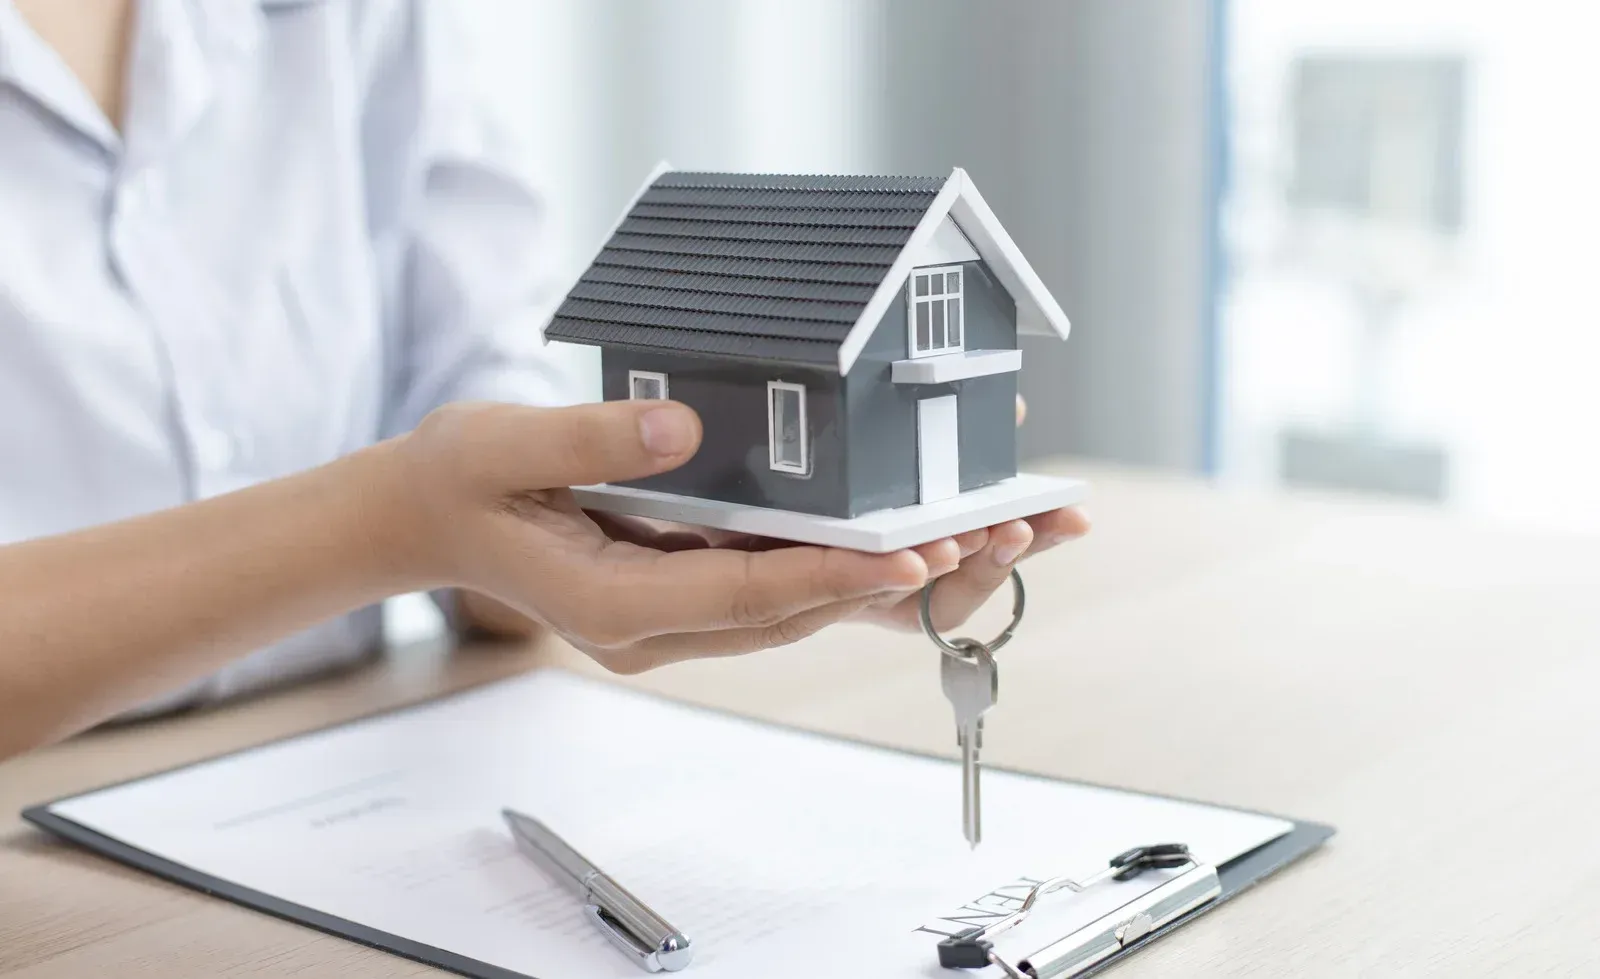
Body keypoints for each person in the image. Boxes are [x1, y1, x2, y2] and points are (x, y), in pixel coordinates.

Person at [0, 0, 1088, 761]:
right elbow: (430, 503)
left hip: (361, 740)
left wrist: (583, 532)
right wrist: (394, 523)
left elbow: (480, 398)